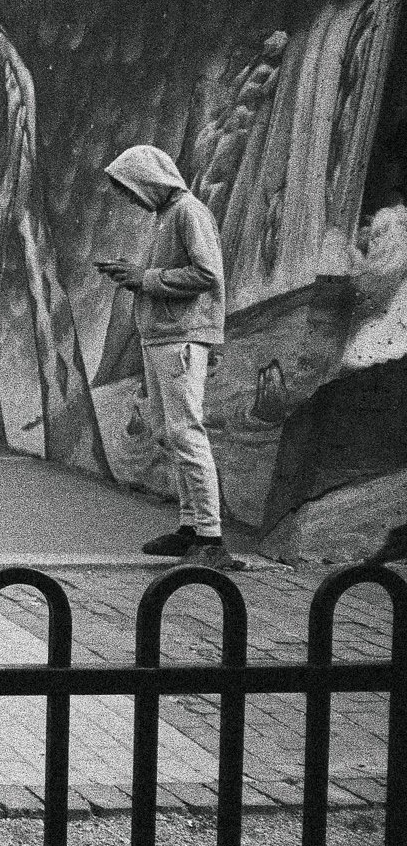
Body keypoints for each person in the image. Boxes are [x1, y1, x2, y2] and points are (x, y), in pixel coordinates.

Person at [99, 145, 234, 567]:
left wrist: (145, 277)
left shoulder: (188, 212)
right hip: (164, 337)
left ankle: (210, 536)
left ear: (150, 179)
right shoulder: (167, 216)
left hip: (181, 338)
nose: (131, 197)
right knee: (170, 431)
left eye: (131, 187)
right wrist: (136, 276)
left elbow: (206, 273)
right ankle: (190, 526)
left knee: (185, 431)